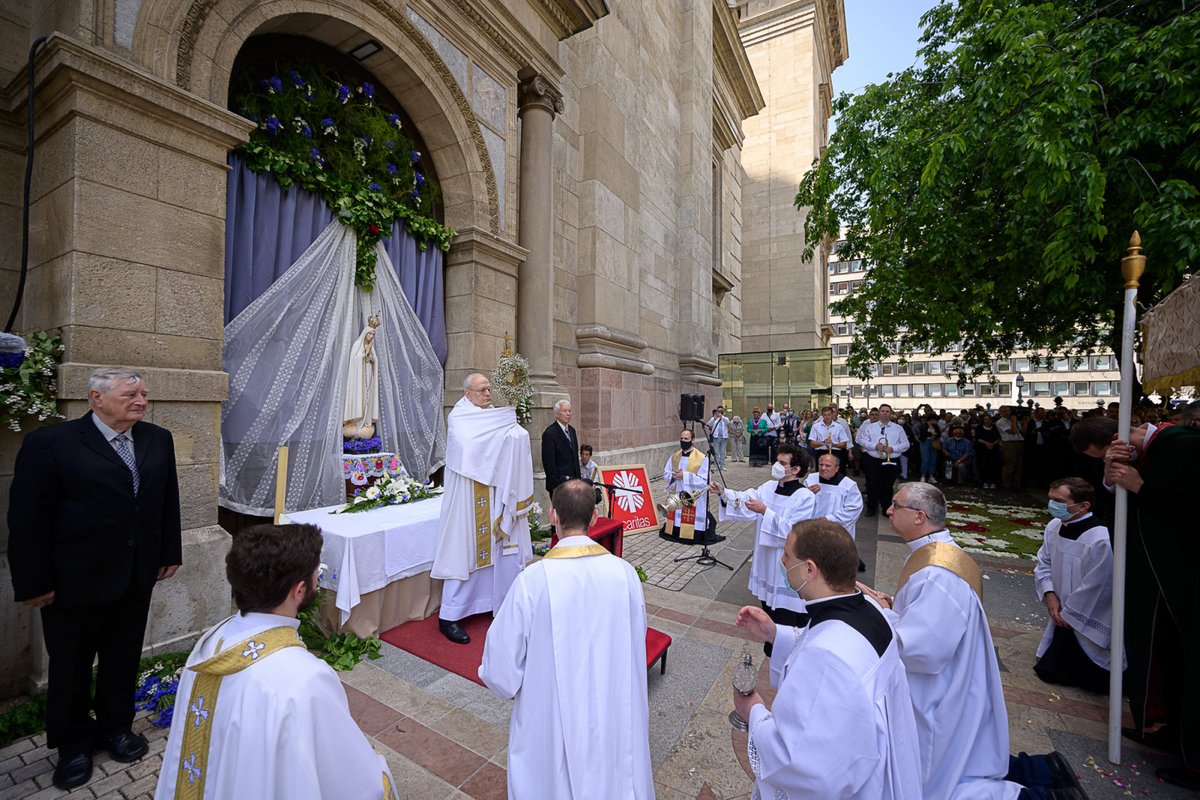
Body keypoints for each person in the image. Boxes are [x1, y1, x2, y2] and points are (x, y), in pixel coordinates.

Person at [8, 367, 182, 790]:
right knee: (70, 666)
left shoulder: (158, 439)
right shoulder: (51, 444)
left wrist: (168, 553)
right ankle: (72, 744)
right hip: (74, 581)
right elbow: (28, 519)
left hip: (136, 575)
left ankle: (116, 728)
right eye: (130, 394)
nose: (141, 400)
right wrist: (34, 582)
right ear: (96, 398)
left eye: (143, 393)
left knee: (123, 658)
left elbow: (166, 501)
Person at [154, 523, 396, 799]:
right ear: (299, 590)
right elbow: (350, 777)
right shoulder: (305, 678)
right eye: (317, 571)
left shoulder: (212, 642)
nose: (319, 575)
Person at [479, 480, 653, 799]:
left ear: (553, 516)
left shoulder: (531, 583)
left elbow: (499, 672)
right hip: (612, 713)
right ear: (596, 517)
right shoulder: (624, 574)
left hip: (552, 724)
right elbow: (636, 637)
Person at [733, 520, 923, 799]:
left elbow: (801, 763)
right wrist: (776, 633)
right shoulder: (868, 606)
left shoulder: (826, 656)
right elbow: (833, 640)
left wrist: (755, 711)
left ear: (809, 569)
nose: (782, 561)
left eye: (787, 555)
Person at [857, 483, 1024, 799]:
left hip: (939, 691)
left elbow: (922, 649)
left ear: (919, 516)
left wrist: (881, 614)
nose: (888, 510)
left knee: (931, 774)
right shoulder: (935, 555)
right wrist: (894, 604)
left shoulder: (939, 574)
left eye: (895, 505)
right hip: (949, 675)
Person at [1071, 414, 1200, 789]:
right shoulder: (1141, 455)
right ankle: (1164, 726)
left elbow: (1183, 505)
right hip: (1153, 579)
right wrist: (1114, 483)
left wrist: (1141, 485)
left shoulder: (1184, 446)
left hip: (1183, 576)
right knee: (1161, 655)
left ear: (1119, 436)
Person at [431, 373, 534, 644]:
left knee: (497, 551)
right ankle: (450, 616)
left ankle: (492, 602)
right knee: (462, 551)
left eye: (489, 389)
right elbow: (468, 450)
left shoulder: (494, 417)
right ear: (468, 393)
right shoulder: (459, 418)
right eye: (482, 390)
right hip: (468, 497)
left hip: (493, 494)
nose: (488, 394)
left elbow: (514, 437)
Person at [714, 444, 815, 658]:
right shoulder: (769, 487)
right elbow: (747, 499)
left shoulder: (805, 497)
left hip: (786, 562)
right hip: (765, 559)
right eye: (777, 461)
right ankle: (772, 644)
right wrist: (724, 493)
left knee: (787, 613)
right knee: (768, 605)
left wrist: (765, 511)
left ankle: (791, 650)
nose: (776, 466)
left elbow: (796, 530)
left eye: (782, 463)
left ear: (796, 469)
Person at [1033, 478, 1120, 695]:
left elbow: (1098, 585)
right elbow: (1044, 562)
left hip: (1086, 615)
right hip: (1060, 607)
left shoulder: (1100, 539)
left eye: (1059, 501)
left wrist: (1070, 613)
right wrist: (1050, 595)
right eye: (1051, 499)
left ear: (1084, 506)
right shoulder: (1054, 526)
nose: (1052, 504)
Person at [804, 453, 865, 568]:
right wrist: (807, 493)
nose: (823, 468)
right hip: (813, 527)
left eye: (827, 466)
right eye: (821, 465)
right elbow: (800, 503)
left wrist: (829, 519)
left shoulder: (848, 485)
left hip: (836, 530)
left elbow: (853, 509)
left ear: (837, 468)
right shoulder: (811, 479)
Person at [855, 402, 909, 516]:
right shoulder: (870, 427)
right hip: (873, 460)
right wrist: (875, 446)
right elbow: (861, 440)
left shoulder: (898, 428)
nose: (884, 413)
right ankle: (871, 507)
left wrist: (893, 448)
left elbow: (906, 444)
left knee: (888, 486)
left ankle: (886, 508)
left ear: (891, 414)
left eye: (887, 411)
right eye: (882, 411)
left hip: (891, 460)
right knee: (872, 484)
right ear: (879, 413)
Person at [662, 428, 712, 541]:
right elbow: (666, 473)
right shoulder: (675, 456)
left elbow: (705, 481)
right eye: (681, 439)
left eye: (686, 439)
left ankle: (695, 532)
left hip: (693, 497)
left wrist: (685, 476)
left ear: (693, 440)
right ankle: (676, 528)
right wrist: (673, 476)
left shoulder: (702, 458)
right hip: (678, 493)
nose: (683, 441)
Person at [343, 319, 381, 439]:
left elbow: (374, 361)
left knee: (367, 401)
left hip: (368, 377)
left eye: (373, 334)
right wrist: (364, 354)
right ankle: (356, 425)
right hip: (359, 381)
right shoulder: (357, 345)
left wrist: (370, 356)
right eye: (370, 333)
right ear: (365, 333)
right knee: (360, 399)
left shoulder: (371, 347)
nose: (371, 336)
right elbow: (354, 360)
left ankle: (365, 424)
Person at [541, 398, 580, 497]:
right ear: (557, 414)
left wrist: (578, 480)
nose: (568, 413)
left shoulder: (572, 431)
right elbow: (549, 463)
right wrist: (556, 486)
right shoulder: (550, 433)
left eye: (569, 411)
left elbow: (575, 458)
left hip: (574, 483)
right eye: (564, 411)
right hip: (559, 485)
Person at [808, 405, 850, 472]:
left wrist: (833, 444)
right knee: (821, 473)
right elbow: (812, 444)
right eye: (825, 415)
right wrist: (823, 443)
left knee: (836, 473)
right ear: (822, 415)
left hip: (836, 452)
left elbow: (844, 445)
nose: (827, 417)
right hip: (821, 452)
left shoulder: (839, 427)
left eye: (829, 415)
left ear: (832, 414)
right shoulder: (816, 426)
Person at [996, 405, 1027, 491]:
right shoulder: (1000, 422)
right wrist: (1013, 421)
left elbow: (1022, 433)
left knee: (1019, 465)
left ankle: (1016, 484)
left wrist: (1025, 423)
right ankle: (1006, 484)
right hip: (1009, 444)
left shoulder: (1015, 420)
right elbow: (1013, 431)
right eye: (1004, 411)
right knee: (1010, 464)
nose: (1007, 413)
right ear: (1001, 413)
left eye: (1008, 411)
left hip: (1019, 442)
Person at [975, 413, 1002, 489]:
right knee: (984, 465)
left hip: (993, 449)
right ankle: (985, 481)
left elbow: (999, 437)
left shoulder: (995, 428)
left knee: (993, 465)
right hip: (982, 449)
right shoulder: (979, 427)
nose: (987, 421)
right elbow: (978, 438)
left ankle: (993, 482)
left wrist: (992, 444)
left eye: (989, 419)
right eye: (985, 419)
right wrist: (986, 443)